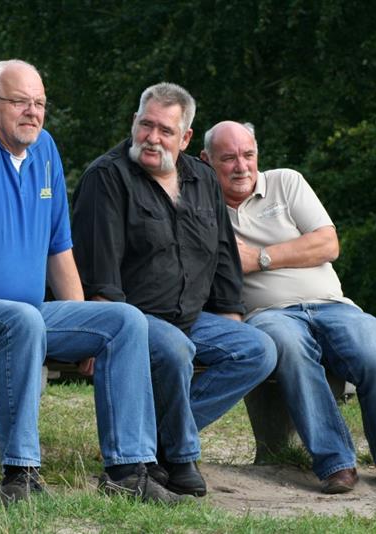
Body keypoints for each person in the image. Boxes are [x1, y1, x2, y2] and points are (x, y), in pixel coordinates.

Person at [0, 60, 190, 506]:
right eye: (19, 102)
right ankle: (20, 477)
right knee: (22, 319)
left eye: (40, 103)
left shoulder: (44, 149)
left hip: (18, 318)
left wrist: (86, 326)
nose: (32, 112)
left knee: (123, 321)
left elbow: (59, 250)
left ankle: (128, 472)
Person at [201, 120, 376, 494]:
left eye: (248, 155)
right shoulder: (200, 206)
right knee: (291, 350)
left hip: (333, 306)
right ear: (206, 160)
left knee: (375, 357)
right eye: (229, 158)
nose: (241, 166)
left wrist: (260, 258)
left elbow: (328, 244)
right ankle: (336, 464)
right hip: (268, 315)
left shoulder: (286, 182)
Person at [71, 83, 277, 497]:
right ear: (134, 122)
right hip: (132, 319)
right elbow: (98, 266)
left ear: (185, 138)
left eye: (165, 130)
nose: (152, 138)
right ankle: (181, 457)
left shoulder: (203, 178)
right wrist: (99, 333)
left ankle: (158, 443)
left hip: (191, 316)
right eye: (146, 125)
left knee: (258, 350)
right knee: (175, 349)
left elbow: (223, 254)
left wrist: (230, 314)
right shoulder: (107, 177)